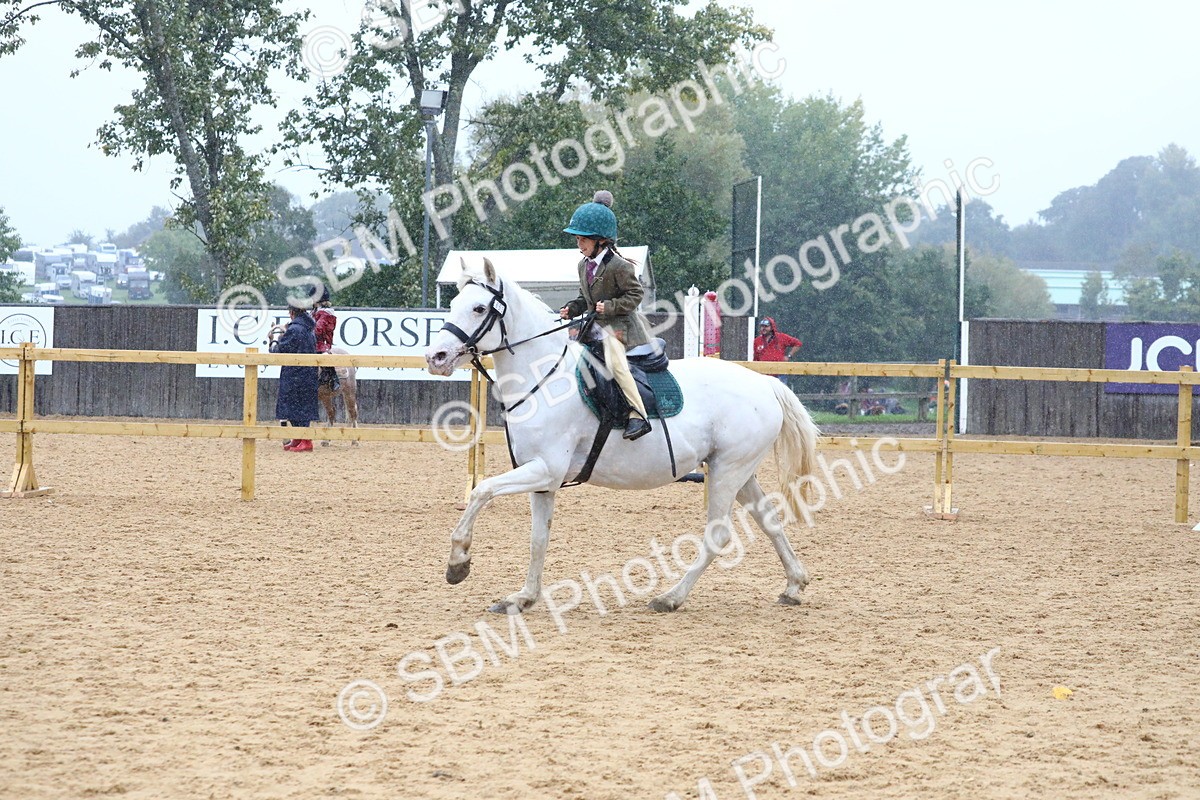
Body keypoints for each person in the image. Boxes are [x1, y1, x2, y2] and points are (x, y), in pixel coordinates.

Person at [558, 190, 653, 441]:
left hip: (619, 328)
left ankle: (638, 414)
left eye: (582, 240)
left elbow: (635, 295)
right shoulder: (583, 265)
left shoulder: (620, 266)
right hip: (593, 328)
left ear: (600, 240)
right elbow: (584, 298)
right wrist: (572, 308)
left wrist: (609, 307)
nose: (579, 245)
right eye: (578, 240)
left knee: (615, 363)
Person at [269, 305, 319, 452]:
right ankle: (299, 437)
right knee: (301, 405)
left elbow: (280, 351)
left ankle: (306, 440)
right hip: (307, 373)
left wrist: (274, 343)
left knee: (294, 406)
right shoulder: (309, 329)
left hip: (295, 374)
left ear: (292, 313)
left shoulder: (294, 330)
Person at [753, 317, 802, 383]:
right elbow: (756, 357)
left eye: (766, 326)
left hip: (779, 373)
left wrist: (789, 356)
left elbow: (798, 343)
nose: (763, 328)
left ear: (772, 327)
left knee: (780, 393)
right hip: (764, 373)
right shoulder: (757, 341)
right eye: (762, 326)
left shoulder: (781, 337)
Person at [312, 286, 340, 392]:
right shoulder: (315, 312)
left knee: (323, 356)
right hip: (312, 342)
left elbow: (318, 330)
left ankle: (332, 378)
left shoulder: (326, 314)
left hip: (322, 344)